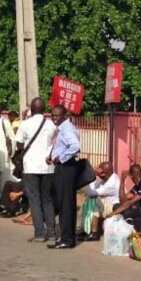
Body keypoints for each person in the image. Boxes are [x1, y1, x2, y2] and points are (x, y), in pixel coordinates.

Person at [13, 97, 57, 243]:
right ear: (44, 109)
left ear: (31, 109)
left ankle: (39, 233)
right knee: (47, 199)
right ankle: (51, 232)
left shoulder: (25, 124)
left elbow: (19, 144)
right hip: (48, 167)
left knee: (34, 199)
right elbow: (55, 143)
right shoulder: (51, 125)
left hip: (30, 166)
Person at [48, 104, 81, 249]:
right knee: (63, 203)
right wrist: (52, 157)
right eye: (53, 115)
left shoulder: (66, 128)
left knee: (65, 204)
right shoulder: (63, 128)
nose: (54, 118)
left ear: (64, 116)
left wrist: (60, 158)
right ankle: (66, 236)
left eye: (57, 115)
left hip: (66, 169)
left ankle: (67, 239)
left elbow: (75, 146)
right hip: (63, 167)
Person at [111, 164, 141, 233]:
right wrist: (122, 181)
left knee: (129, 216)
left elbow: (129, 203)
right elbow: (123, 200)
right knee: (117, 206)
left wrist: (112, 214)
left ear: (131, 176)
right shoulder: (137, 186)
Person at [80, 161, 119, 240]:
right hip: (108, 204)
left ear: (103, 173)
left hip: (114, 207)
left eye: (99, 169)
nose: (97, 169)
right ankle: (87, 229)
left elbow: (91, 192)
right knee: (90, 201)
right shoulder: (108, 177)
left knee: (94, 201)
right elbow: (94, 187)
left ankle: (94, 233)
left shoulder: (111, 183)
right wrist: (93, 176)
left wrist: (90, 176)